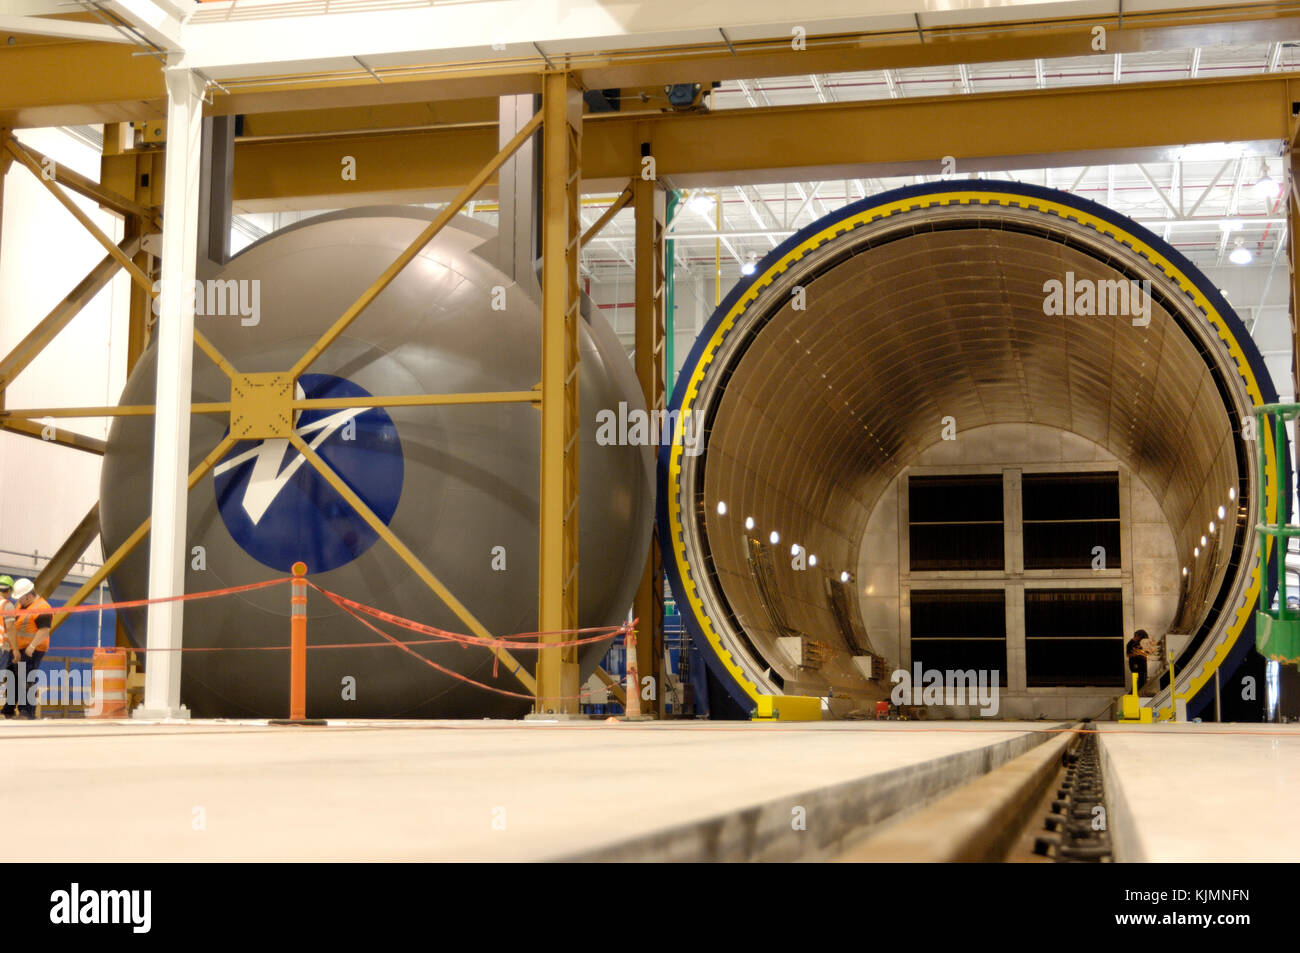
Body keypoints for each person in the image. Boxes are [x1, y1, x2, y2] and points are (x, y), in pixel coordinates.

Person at [5, 579, 51, 719]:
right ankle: (9, 709)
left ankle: (27, 712)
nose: (18, 600)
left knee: (27, 679)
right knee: (12, 675)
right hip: (19, 648)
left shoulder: (43, 608)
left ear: (29, 596)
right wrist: (15, 649)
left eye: (20, 598)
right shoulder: (21, 605)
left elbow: (44, 630)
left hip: (33, 649)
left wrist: (32, 646)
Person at [0, 576, 14, 716]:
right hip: (2, 647)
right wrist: (15, 649)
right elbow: (10, 629)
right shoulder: (7, 605)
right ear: (9, 590)